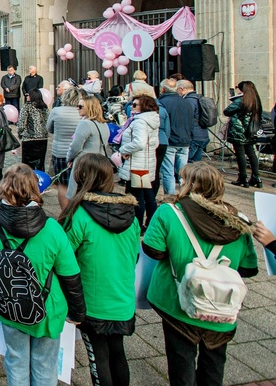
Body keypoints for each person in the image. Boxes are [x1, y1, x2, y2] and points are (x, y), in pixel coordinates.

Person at [142, 162, 258, 386]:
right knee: (214, 364)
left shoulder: (169, 212)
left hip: (177, 304)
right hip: (221, 307)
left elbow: (153, 251)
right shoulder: (239, 221)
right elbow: (248, 268)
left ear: (188, 185)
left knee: (181, 363)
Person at [0, 164, 86, 386]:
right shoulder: (52, 228)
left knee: (15, 361)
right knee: (45, 365)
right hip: (47, 308)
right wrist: (77, 312)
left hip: (9, 304)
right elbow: (70, 276)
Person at [58, 154, 139, 386]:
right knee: (117, 353)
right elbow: (133, 255)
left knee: (98, 357)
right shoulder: (131, 216)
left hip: (92, 303)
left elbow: (64, 256)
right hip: (121, 299)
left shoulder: (80, 215)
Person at [118, 95, 160, 229]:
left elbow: (140, 143)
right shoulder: (151, 120)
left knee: (136, 196)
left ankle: (137, 224)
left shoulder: (140, 121)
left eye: (135, 105)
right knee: (147, 193)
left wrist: (124, 149)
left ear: (144, 106)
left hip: (137, 162)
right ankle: (151, 222)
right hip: (146, 161)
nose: (131, 106)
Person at [66, 96, 110, 201]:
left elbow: (76, 146)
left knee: (77, 196)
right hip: (99, 162)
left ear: (89, 107)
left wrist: (69, 158)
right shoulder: (103, 124)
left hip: (84, 163)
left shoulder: (85, 123)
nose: (77, 108)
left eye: (80, 106)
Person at [223, 80, 263, 188]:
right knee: (251, 153)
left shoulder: (241, 100)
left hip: (239, 130)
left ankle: (243, 177)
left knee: (240, 154)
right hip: (251, 130)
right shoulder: (256, 100)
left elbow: (226, 111)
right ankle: (256, 177)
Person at [47, 88, 82, 208]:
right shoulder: (81, 112)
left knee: (63, 184)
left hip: (60, 151)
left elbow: (49, 128)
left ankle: (64, 212)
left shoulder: (56, 111)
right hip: (78, 153)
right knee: (79, 183)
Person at [157, 79, 194, 195]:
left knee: (168, 171)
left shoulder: (162, 103)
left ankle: (170, 196)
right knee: (183, 172)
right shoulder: (186, 102)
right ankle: (184, 194)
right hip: (185, 140)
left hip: (171, 140)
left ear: (162, 89)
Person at [174, 80, 209, 163]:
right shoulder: (198, 98)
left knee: (185, 163)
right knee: (196, 164)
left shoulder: (188, 101)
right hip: (203, 134)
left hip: (193, 136)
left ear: (182, 89)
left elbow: (185, 118)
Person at [17, 88, 49, 172]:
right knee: (40, 163)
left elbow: (21, 123)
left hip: (29, 138)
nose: (26, 96)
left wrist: (20, 133)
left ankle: (29, 182)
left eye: (28, 95)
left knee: (27, 165)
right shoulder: (44, 107)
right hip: (43, 139)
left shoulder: (27, 107)